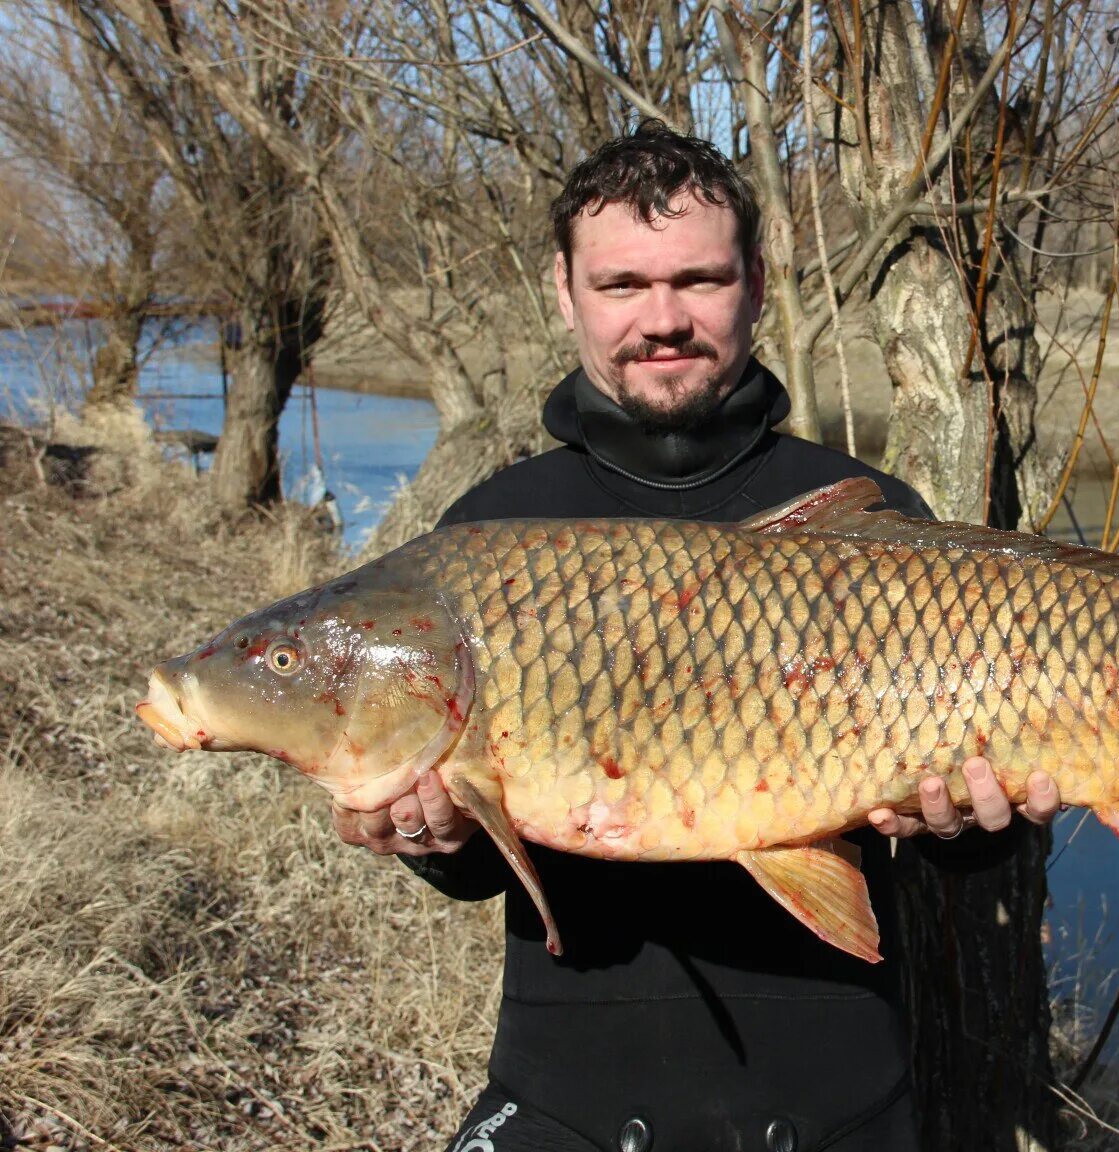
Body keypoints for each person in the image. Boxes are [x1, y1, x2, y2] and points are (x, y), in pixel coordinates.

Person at [333, 121, 1062, 1152]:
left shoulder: (865, 514)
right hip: (566, 1096)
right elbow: (474, 865)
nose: (662, 319)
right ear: (565, 291)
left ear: (756, 285)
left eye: (700, 281)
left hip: (839, 1100)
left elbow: (967, 851)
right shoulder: (490, 535)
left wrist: (975, 828)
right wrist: (432, 838)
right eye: (623, 284)